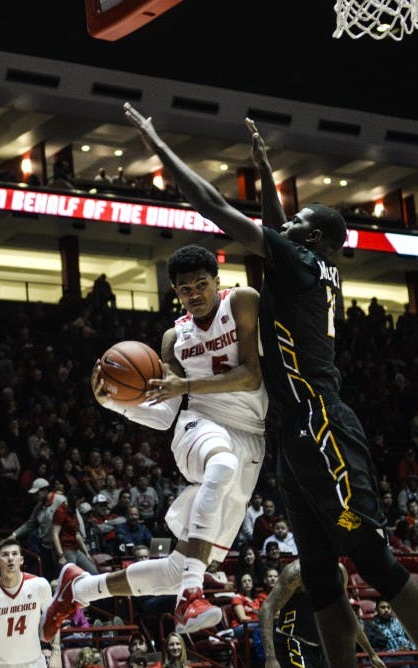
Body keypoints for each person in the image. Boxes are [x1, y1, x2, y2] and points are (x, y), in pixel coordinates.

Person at [122, 104, 418, 668]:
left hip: (321, 422)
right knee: (322, 580)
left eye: (297, 224)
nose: (284, 227)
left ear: (316, 239)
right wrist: (267, 172)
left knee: (373, 559)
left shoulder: (301, 262)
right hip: (293, 434)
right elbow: (280, 229)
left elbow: (214, 205)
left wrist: (159, 148)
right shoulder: (308, 264)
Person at [43, 243, 267, 638]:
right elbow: (166, 414)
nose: (194, 294)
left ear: (217, 282)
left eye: (201, 284)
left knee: (175, 569)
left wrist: (185, 382)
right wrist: (113, 403)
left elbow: (252, 376)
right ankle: (191, 597)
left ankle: (78, 587)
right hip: (200, 426)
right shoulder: (173, 337)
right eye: (185, 289)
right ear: (175, 293)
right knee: (221, 464)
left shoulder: (243, 302)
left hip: (250, 437)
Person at [259, 560, 384, 668]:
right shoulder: (297, 572)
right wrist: (270, 658)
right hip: (291, 640)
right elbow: (266, 609)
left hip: (320, 645)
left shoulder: (340, 572)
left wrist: (371, 653)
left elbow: (346, 615)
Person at [0, 538, 58, 668]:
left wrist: (56, 653)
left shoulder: (39, 585)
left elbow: (53, 621)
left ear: (21, 560)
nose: (10, 558)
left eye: (14, 554)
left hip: (34, 663)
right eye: (5, 555)